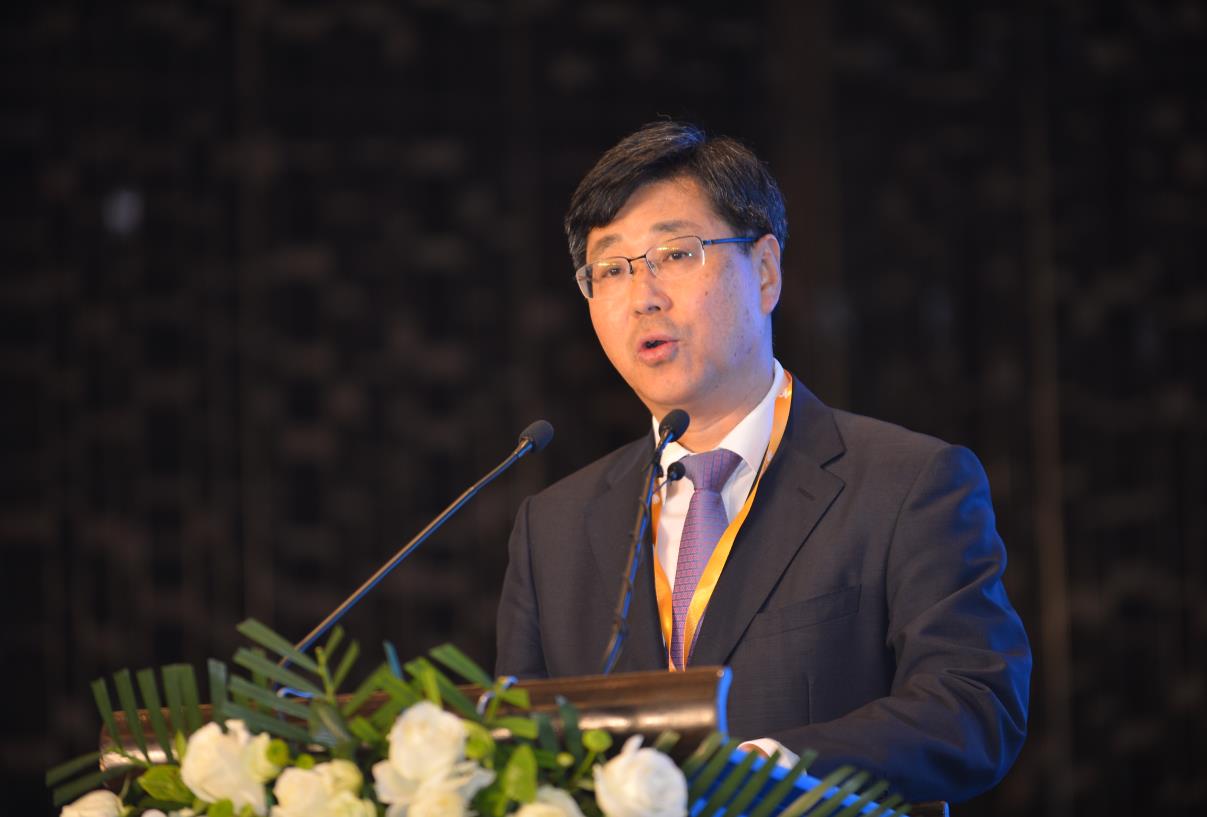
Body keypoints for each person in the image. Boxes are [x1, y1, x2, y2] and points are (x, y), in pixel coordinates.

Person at [495, 120, 1031, 804]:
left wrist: (775, 770)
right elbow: (514, 757)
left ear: (766, 271)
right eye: (610, 268)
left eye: (675, 253)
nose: (643, 295)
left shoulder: (905, 483)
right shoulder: (553, 527)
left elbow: (972, 705)